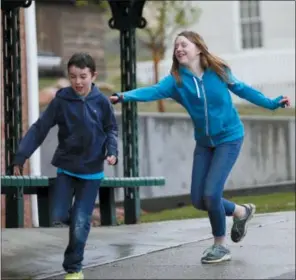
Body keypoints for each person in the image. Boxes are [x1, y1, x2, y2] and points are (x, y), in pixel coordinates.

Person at [110, 31, 291, 264]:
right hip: (205, 144)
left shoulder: (218, 71)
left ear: (197, 48)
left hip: (229, 138)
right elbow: (151, 91)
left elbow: (244, 90)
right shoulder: (175, 81)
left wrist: (271, 103)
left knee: (211, 194)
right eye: (176, 46)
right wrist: (123, 96)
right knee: (198, 199)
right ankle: (240, 212)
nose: (179, 49)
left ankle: (220, 245)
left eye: (184, 44)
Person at [13, 52, 118, 279]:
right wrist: (21, 155)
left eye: (83, 76)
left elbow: (111, 129)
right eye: (73, 77)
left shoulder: (101, 102)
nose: (78, 82)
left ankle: (74, 268)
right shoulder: (62, 100)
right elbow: (41, 127)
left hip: (91, 172)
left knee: (80, 221)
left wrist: (112, 152)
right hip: (67, 168)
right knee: (59, 214)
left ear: (93, 75)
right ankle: (82, 224)